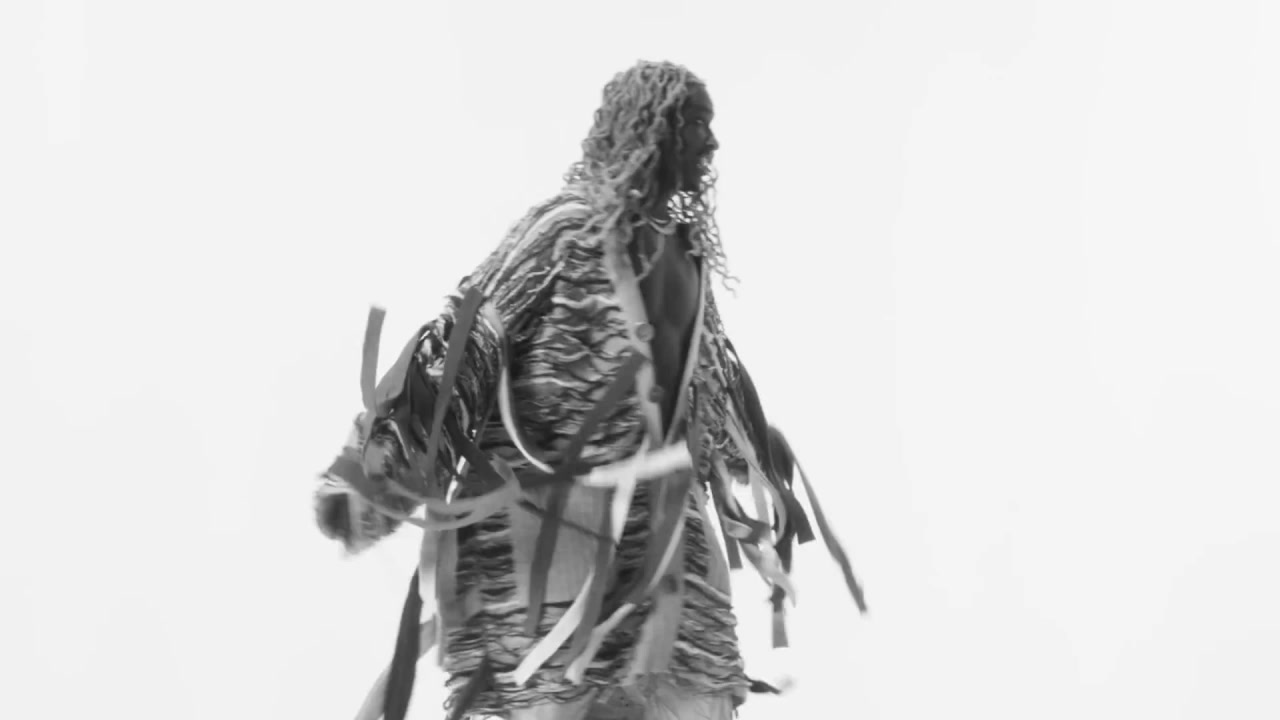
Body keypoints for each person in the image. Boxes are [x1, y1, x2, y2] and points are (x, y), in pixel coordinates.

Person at [315, 59, 865, 720]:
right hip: (553, 538)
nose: (712, 143)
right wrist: (375, 476)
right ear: (651, 127)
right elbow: (465, 344)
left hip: (670, 550)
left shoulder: (689, 256)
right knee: (548, 698)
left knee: (698, 697)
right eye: (696, 125)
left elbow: (710, 392)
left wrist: (748, 453)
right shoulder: (564, 230)